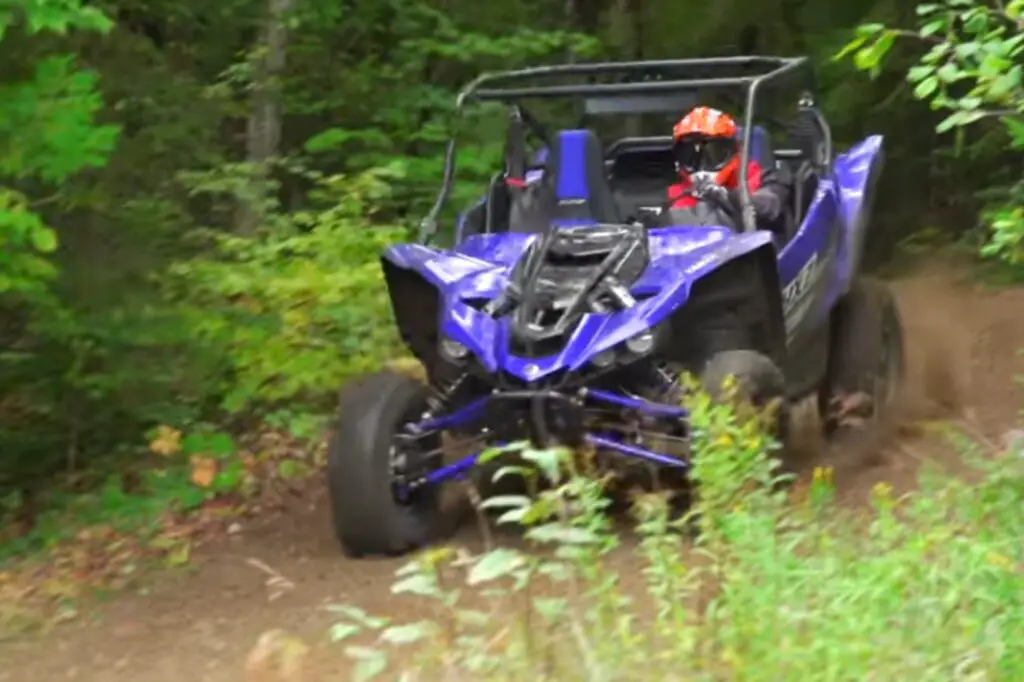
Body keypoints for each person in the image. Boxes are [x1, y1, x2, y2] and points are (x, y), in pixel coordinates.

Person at [667, 106, 790, 229]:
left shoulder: (760, 177)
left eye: (713, 154)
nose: (702, 165)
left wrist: (728, 197)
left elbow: (771, 205)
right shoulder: (672, 194)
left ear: (734, 151)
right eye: (690, 156)